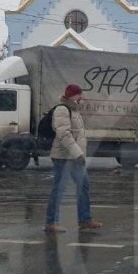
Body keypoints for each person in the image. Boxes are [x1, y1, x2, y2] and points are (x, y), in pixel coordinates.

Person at [45, 84, 102, 234]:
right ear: (72, 96)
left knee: (83, 186)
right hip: (64, 157)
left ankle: (85, 220)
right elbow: (64, 134)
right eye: (79, 95)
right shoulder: (63, 109)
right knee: (59, 189)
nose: (81, 97)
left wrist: (78, 154)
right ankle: (51, 222)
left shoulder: (75, 110)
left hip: (75, 156)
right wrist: (78, 153)